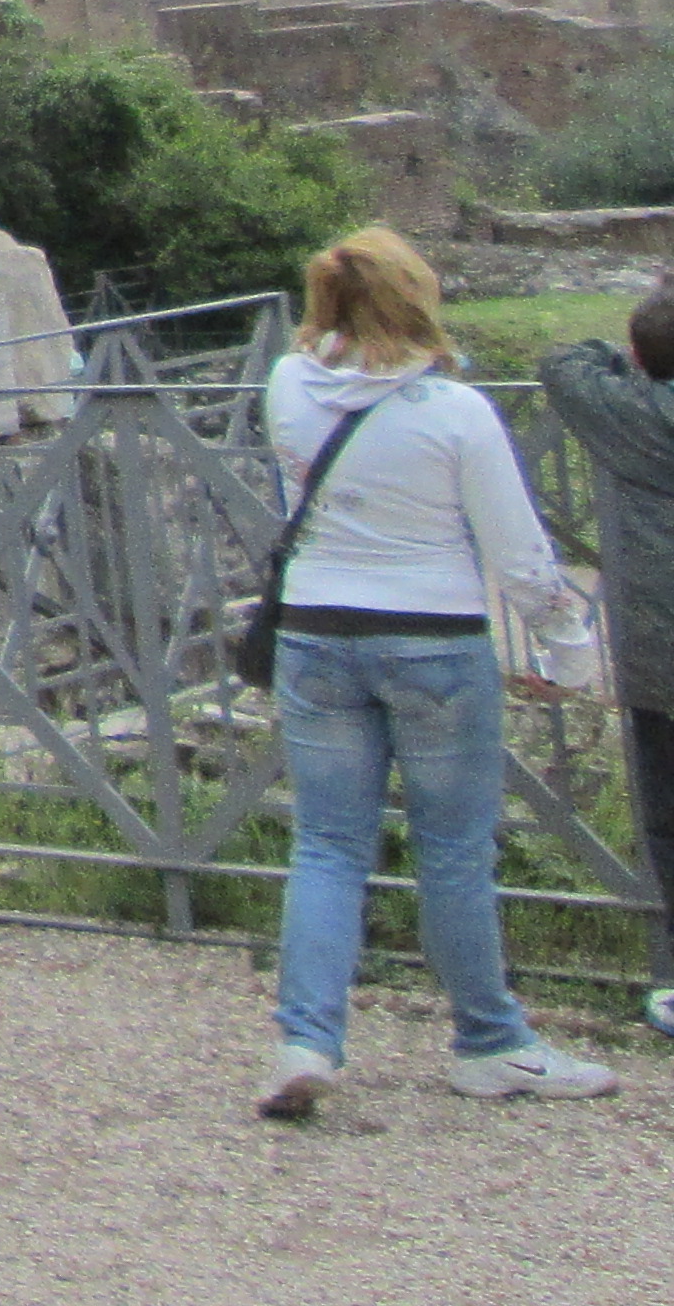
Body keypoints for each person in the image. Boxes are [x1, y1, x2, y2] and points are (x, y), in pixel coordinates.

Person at [256, 229, 610, 1115]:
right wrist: (567, 645)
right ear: (416, 300)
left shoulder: (288, 385)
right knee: (452, 851)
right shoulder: (456, 412)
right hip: (433, 634)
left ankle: (305, 1040)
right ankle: (490, 1042)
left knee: (327, 845)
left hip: (315, 628)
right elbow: (519, 555)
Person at [538, 278, 674, 1041]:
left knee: (669, 822)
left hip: (658, 659)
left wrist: (623, 362)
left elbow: (562, 363)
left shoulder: (627, 413)